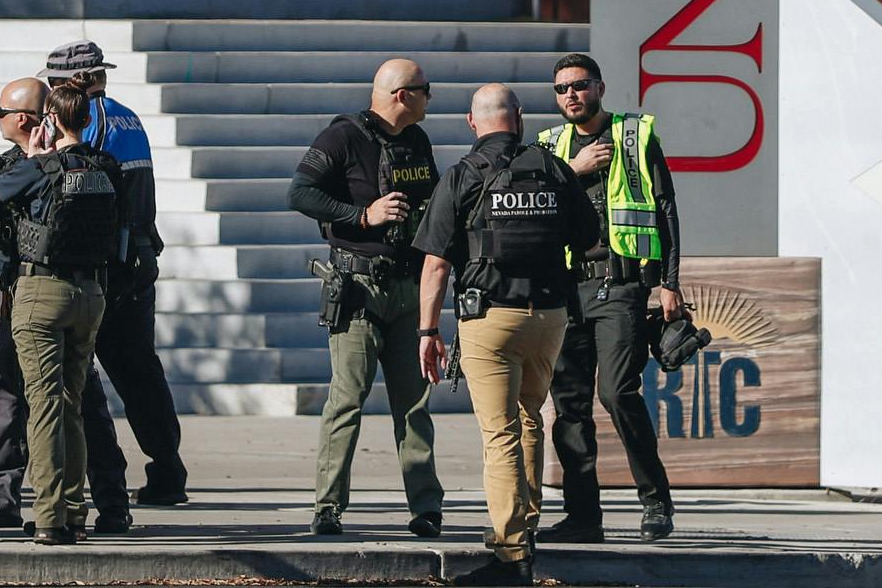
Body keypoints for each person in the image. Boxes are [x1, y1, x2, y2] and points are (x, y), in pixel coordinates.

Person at [415, 83, 599, 587]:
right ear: (518, 117)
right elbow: (588, 236)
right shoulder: (554, 168)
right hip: (550, 317)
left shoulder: (463, 174)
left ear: (472, 123)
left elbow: (435, 264)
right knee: (530, 417)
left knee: (500, 435)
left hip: (491, 319)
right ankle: (528, 524)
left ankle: (510, 553)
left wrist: (428, 330)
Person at [0, 78, 128, 537]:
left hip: (34, 293)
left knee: (44, 407)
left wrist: (34, 165)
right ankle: (83, 509)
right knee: (73, 406)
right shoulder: (103, 165)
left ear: (37, 118)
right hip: (89, 293)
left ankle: (50, 517)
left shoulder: (31, 168)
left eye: (1, 112)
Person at [290, 57, 443, 539]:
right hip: (358, 289)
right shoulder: (342, 137)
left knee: (414, 403)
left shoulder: (417, 140)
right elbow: (300, 193)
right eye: (425, 89)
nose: (429, 97)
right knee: (347, 400)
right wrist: (362, 216)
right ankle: (328, 506)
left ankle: (426, 507)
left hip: (408, 288)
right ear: (402, 95)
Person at [538, 53, 685, 544]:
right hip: (567, 289)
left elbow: (666, 210)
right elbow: (536, 208)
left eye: (579, 85)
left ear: (599, 88)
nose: (571, 95)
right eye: (561, 89)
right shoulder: (550, 147)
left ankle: (656, 501)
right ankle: (583, 517)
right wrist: (573, 171)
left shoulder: (634, 135)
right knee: (569, 405)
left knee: (617, 393)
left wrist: (669, 282)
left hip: (621, 285)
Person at [45, 39, 187, 509]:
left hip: (109, 265)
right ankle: (167, 470)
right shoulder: (127, 116)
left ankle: (99, 479)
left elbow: (77, 184)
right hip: (139, 257)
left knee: (76, 373)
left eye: (55, 83)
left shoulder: (89, 122)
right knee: (140, 371)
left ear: (76, 82)